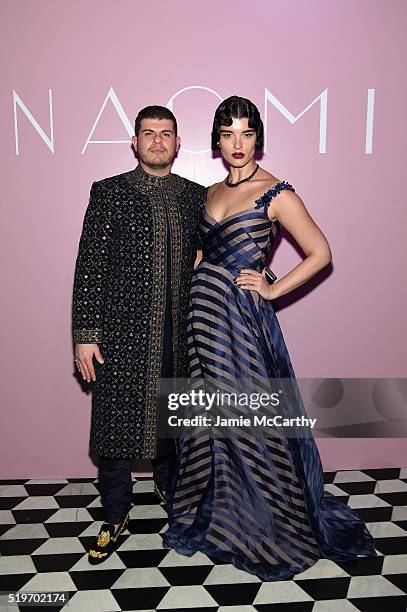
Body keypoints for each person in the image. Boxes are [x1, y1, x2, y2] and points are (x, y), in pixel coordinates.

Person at [163, 96, 376, 580]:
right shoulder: (210, 191)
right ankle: (219, 516)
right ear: (217, 141)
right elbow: (203, 253)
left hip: (241, 323)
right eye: (228, 134)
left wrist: (274, 287)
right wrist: (193, 296)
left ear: (258, 138)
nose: (237, 144)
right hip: (203, 318)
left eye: (246, 133)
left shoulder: (276, 192)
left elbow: (320, 252)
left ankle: (266, 520)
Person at [72, 105, 206, 564]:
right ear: (134, 142)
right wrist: (85, 334)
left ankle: (172, 495)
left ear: (177, 142)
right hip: (120, 335)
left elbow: (220, 246)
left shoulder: (195, 196)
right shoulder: (109, 192)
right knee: (113, 428)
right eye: (148, 133)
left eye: (165, 133)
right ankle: (114, 515)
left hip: (177, 333)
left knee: (172, 421)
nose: (156, 141)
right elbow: (89, 265)